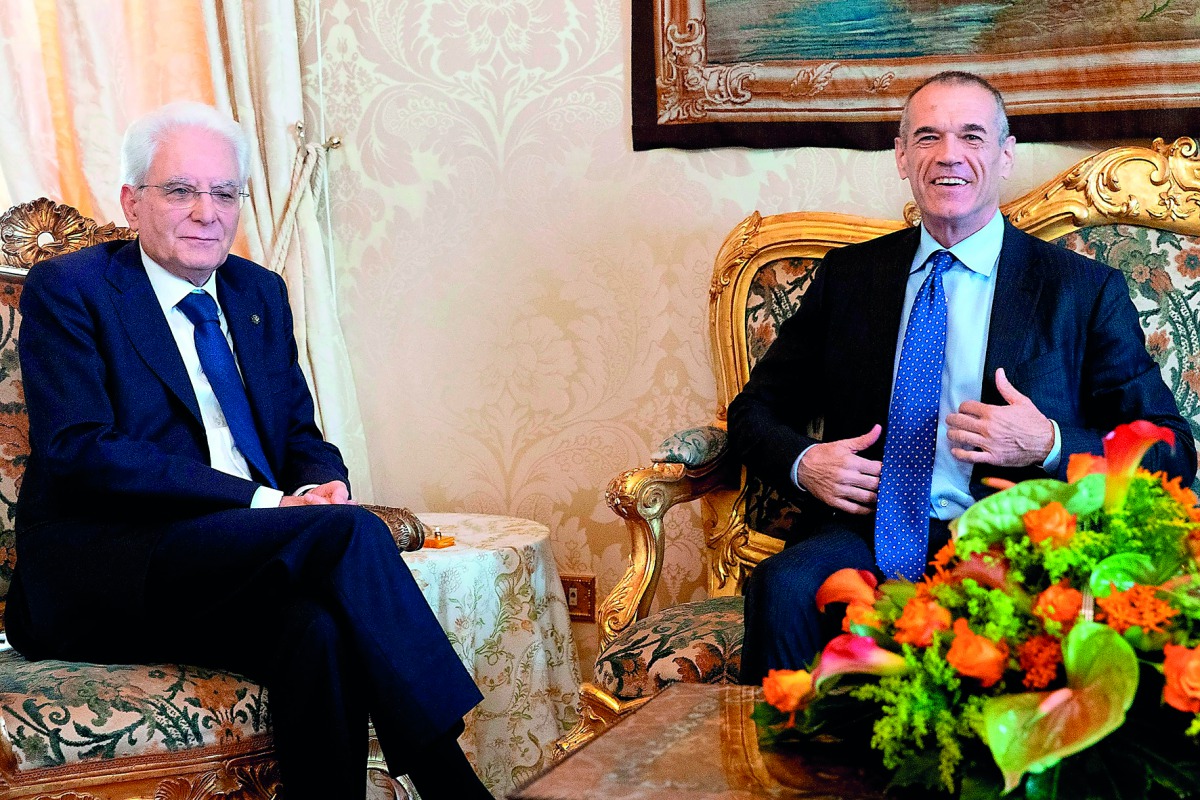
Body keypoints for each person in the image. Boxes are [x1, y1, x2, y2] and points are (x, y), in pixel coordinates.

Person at [4, 102, 491, 800]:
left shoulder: (258, 291)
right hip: (112, 567)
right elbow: (81, 451)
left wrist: (323, 484)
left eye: (225, 193)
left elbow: (297, 434)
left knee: (317, 629)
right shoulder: (74, 289)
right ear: (132, 202)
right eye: (181, 191)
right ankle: (454, 785)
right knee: (348, 536)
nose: (208, 211)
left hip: (231, 560)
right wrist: (266, 503)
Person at [729, 71, 1197, 683]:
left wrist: (1049, 444)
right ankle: (786, 771)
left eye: (972, 137)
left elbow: (1170, 448)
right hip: (866, 528)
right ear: (901, 156)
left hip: (1012, 537)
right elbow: (752, 413)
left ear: (1005, 156)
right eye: (927, 137)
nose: (948, 155)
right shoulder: (850, 277)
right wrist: (805, 463)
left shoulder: (1080, 291)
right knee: (783, 585)